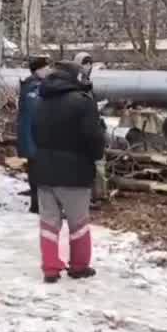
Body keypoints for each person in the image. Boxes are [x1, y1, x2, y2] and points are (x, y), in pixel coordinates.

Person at [30, 61, 106, 283]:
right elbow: (94, 138)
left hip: (44, 170)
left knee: (48, 223)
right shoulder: (83, 103)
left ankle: (50, 268)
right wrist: (95, 156)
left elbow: (34, 133)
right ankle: (79, 266)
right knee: (78, 223)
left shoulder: (41, 100)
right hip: (75, 172)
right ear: (74, 78)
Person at [16, 56, 51, 213]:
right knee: (37, 171)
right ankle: (36, 205)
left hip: (32, 136)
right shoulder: (33, 87)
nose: (48, 71)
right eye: (46, 68)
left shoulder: (33, 85)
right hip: (34, 136)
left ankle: (37, 203)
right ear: (38, 70)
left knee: (36, 169)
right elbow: (37, 111)